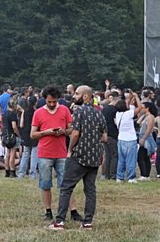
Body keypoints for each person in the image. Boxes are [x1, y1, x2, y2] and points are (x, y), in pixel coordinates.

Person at [50, 84, 107, 230]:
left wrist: (70, 150)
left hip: (79, 156)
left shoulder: (79, 111)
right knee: (90, 191)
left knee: (66, 188)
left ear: (85, 96)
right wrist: (92, 139)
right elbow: (105, 138)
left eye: (76, 94)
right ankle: (87, 222)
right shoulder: (99, 113)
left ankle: (59, 221)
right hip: (94, 157)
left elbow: (75, 133)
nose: (74, 96)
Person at [31, 86, 71, 222]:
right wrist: (46, 132)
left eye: (54, 102)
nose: (52, 104)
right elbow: (33, 134)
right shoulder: (38, 113)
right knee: (45, 183)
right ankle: (48, 211)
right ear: (45, 100)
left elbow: (71, 129)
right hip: (44, 153)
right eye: (49, 102)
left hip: (61, 153)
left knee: (66, 184)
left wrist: (64, 132)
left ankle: (72, 210)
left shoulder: (65, 110)